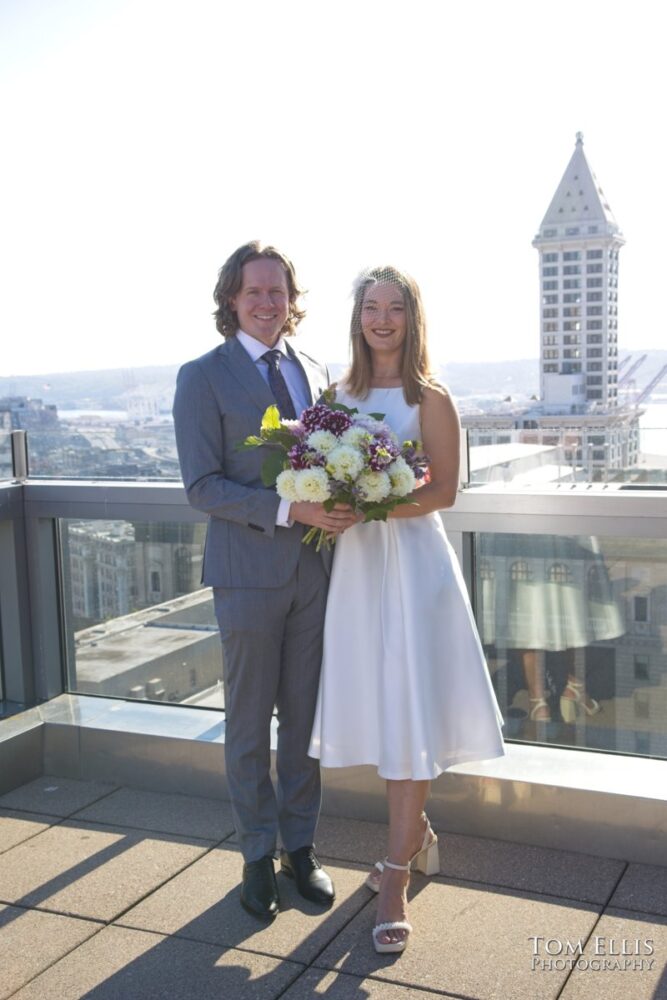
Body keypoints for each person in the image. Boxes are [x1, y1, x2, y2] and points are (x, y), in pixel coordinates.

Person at [309, 265, 506, 953]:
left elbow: (445, 492)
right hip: (360, 571)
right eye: (371, 307)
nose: (382, 318)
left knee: (411, 709)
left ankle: (394, 873)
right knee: (379, 706)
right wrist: (335, 500)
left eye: (394, 307)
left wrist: (375, 500)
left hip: (414, 569)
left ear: (411, 318)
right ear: (357, 316)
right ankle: (414, 837)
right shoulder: (335, 395)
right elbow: (317, 471)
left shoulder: (432, 397)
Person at [173, 241, 357, 921]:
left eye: (277, 291)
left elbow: (331, 455)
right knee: (249, 723)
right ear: (230, 298)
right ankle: (255, 854)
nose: (267, 302)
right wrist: (288, 509)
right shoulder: (203, 375)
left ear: (290, 299)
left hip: (315, 571)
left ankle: (299, 849)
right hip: (247, 574)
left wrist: (344, 499)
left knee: (305, 722)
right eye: (253, 291)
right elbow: (201, 486)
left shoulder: (313, 369)